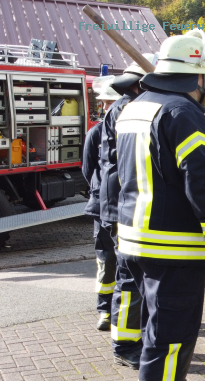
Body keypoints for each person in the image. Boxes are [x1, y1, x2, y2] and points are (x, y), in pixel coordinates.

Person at [115, 29, 205, 381]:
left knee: (157, 322)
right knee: (172, 328)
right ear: (198, 76)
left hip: (134, 239)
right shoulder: (184, 114)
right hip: (172, 245)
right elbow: (203, 188)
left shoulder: (136, 107)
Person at [98, 53, 157, 369]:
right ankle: (125, 344)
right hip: (123, 206)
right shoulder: (129, 109)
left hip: (120, 203)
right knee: (129, 279)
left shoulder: (124, 107)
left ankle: (131, 339)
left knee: (130, 277)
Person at [82, 79, 120, 332]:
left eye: (109, 102)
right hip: (103, 207)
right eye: (104, 103)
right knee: (107, 261)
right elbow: (88, 171)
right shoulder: (95, 133)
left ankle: (127, 310)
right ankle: (105, 310)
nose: (105, 107)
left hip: (128, 208)